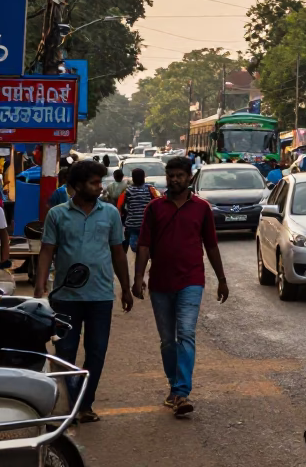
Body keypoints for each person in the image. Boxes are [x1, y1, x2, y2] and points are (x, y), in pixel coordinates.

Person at [33, 159, 133, 423]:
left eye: (100, 182)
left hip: (100, 296)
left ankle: (85, 404)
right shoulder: (57, 214)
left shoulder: (110, 213)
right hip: (65, 298)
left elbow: (118, 252)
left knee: (97, 351)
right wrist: (40, 285)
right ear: (77, 186)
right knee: (65, 352)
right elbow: (47, 251)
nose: (99, 187)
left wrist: (126, 287)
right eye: (94, 183)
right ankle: (72, 403)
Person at [132, 156, 228, 418]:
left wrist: (221, 279)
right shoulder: (154, 208)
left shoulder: (202, 208)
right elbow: (143, 245)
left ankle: (182, 391)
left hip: (191, 281)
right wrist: (138, 277)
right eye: (170, 175)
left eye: (179, 176)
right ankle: (174, 386)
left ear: (189, 178)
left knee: (185, 333)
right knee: (167, 341)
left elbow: (211, 246)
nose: (174, 180)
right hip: (160, 284)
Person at [118, 168, 159, 253]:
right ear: (144, 177)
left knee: (128, 246)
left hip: (132, 224)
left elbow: (120, 206)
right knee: (147, 246)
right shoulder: (150, 189)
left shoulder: (127, 191)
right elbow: (159, 201)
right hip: (147, 223)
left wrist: (120, 219)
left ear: (132, 178)